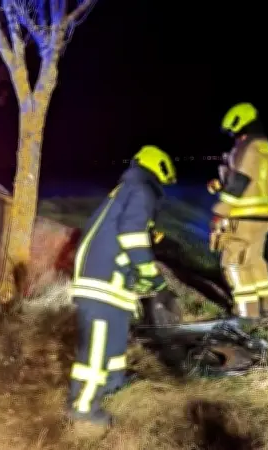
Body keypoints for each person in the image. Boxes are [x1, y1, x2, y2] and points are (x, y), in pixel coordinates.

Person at [66, 145, 176, 427]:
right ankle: (83, 408)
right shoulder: (142, 188)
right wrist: (154, 279)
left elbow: (124, 232)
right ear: (160, 169)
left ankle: (114, 383)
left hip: (107, 280)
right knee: (97, 350)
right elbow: (132, 235)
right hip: (102, 282)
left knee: (115, 337)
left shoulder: (128, 188)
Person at [207, 103, 268, 320]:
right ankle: (265, 304)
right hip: (265, 215)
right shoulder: (266, 147)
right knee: (254, 259)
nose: (234, 138)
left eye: (234, 133)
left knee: (233, 262)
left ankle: (247, 314)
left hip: (243, 216)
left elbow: (240, 180)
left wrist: (220, 211)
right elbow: (255, 180)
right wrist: (222, 183)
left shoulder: (246, 147)